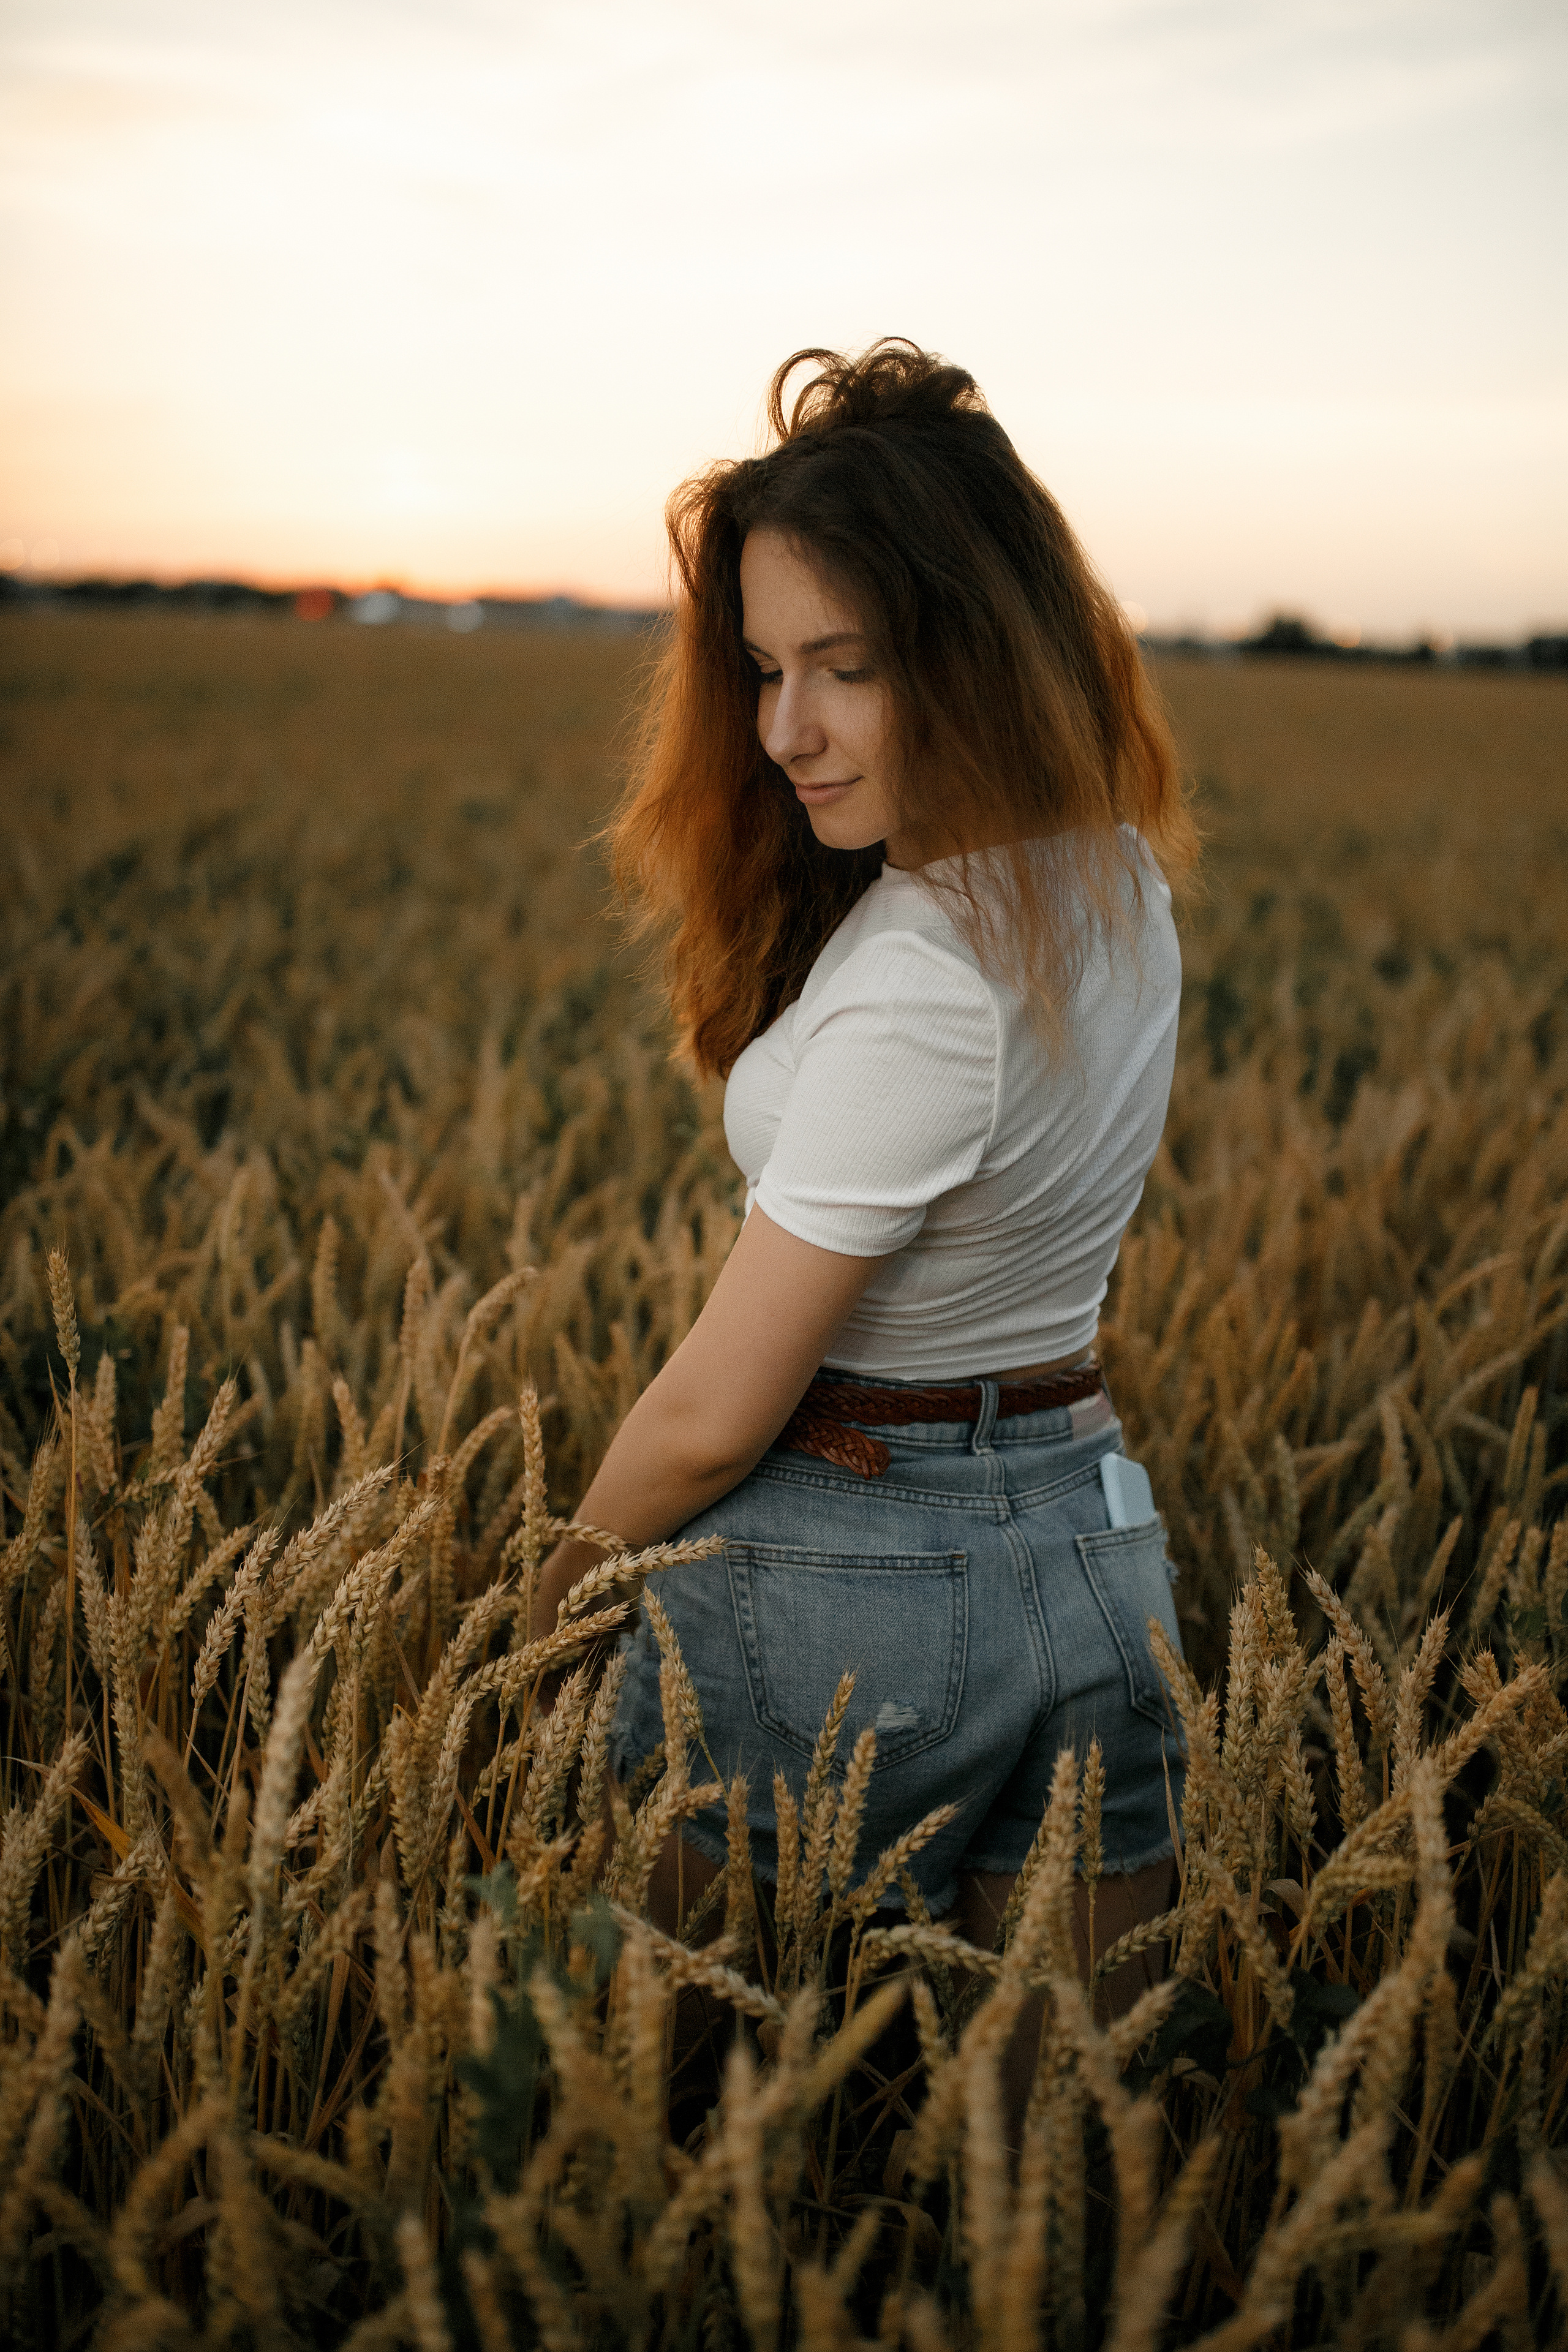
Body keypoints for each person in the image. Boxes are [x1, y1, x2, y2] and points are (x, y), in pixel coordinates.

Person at [533, 338, 1197, 2000]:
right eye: (764, 670)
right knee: (1058, 2182)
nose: (785, 731)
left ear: (973, 656)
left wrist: (531, 1620)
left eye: (847, 667)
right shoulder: (1117, 889)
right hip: (1099, 1552)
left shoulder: (922, 975)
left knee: (640, 2104)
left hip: (851, 1577)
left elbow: (708, 1414)